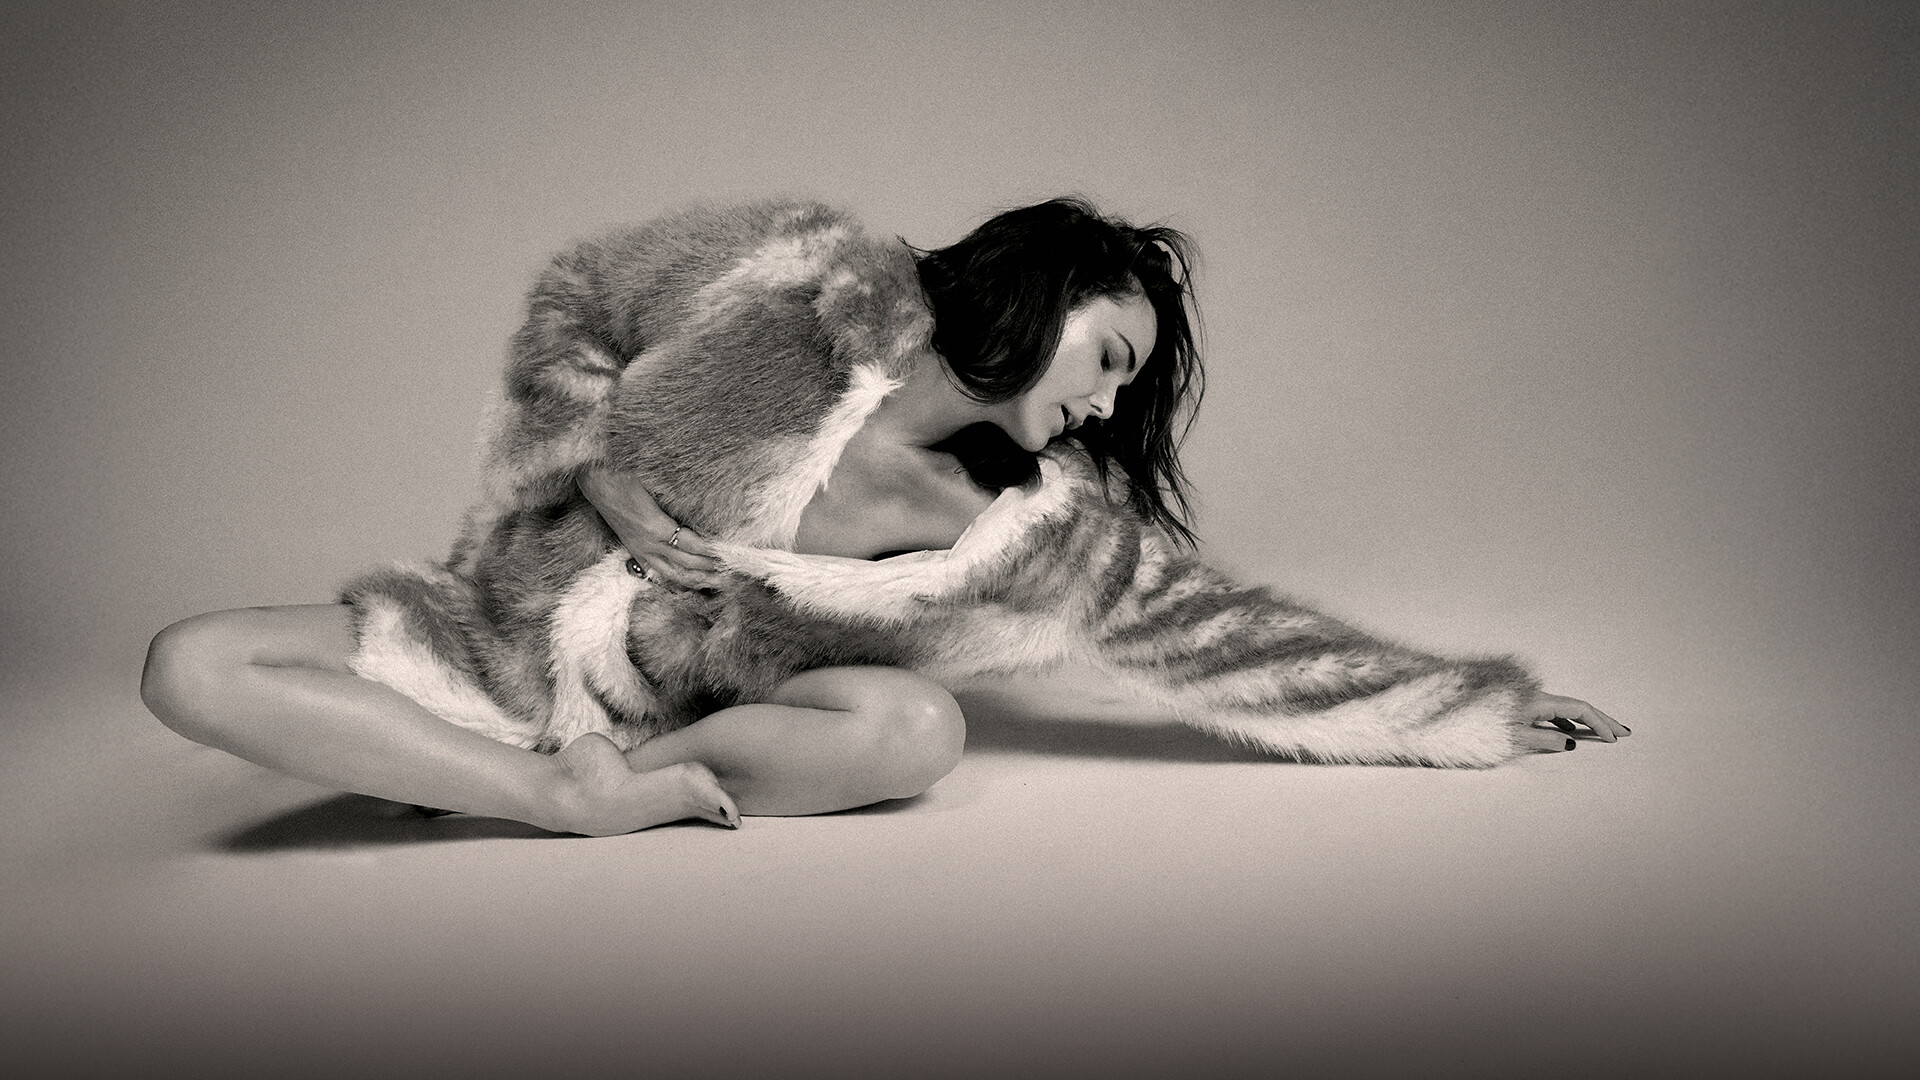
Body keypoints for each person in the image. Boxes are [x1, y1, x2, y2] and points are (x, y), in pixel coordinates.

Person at [140, 197, 1627, 838]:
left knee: (916, 734)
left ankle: (593, 785)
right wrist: (591, 467)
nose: (1107, 404)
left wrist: (1469, 710)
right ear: (1042, 292)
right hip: (497, 638)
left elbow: (1229, 638)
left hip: (668, 717)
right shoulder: (805, 279)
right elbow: (581, 292)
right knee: (189, 666)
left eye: (1128, 389)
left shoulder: (1034, 528)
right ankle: (535, 793)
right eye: (1111, 356)